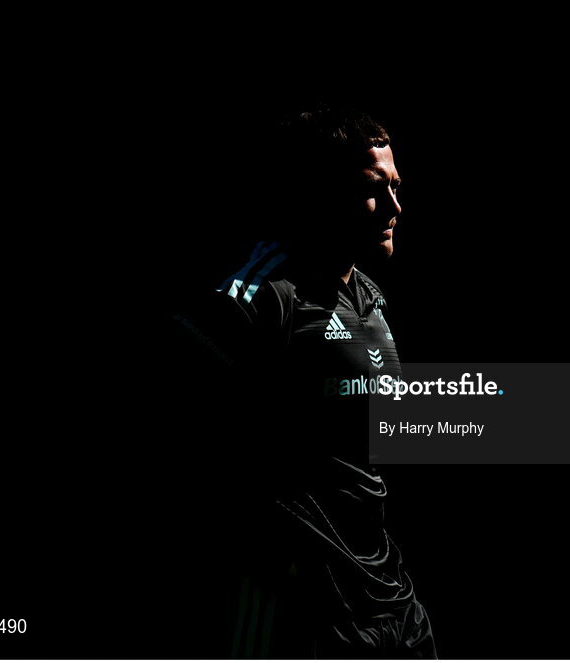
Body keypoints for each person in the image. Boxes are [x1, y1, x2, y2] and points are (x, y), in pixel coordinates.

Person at [171, 105, 436, 658]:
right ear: (321, 194)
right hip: (306, 604)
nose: (394, 207)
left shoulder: (369, 294)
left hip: (388, 594)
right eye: (373, 189)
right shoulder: (264, 293)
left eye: (396, 186)